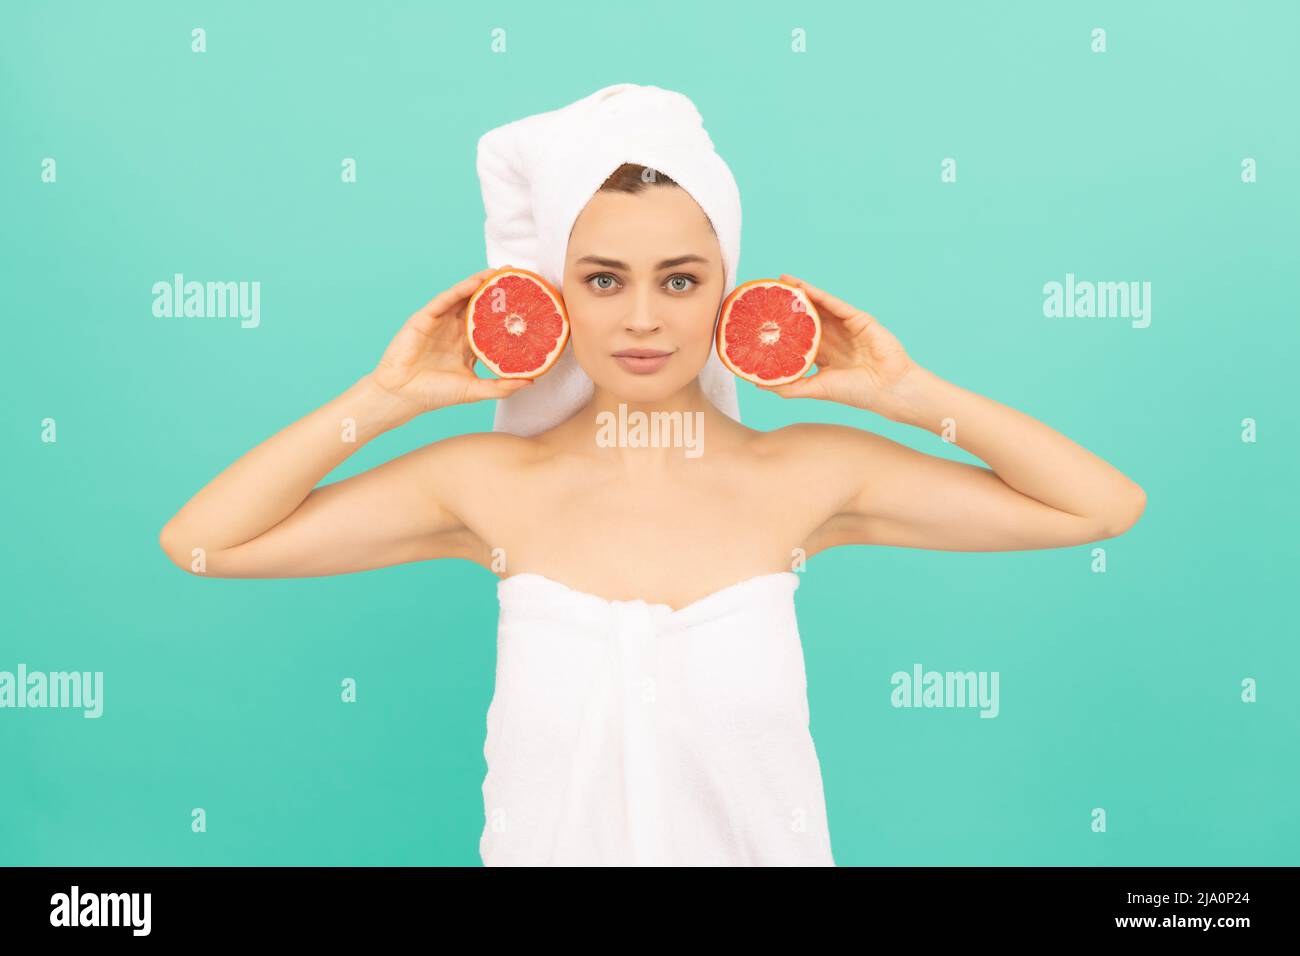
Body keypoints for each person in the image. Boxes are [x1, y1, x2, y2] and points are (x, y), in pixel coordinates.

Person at [159, 87, 1145, 866]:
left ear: (729, 287)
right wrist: (389, 394)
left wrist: (902, 388)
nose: (641, 318)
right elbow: (206, 541)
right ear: (555, 291)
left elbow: (1100, 504)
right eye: (602, 279)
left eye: (679, 278)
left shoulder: (804, 475)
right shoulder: (488, 485)